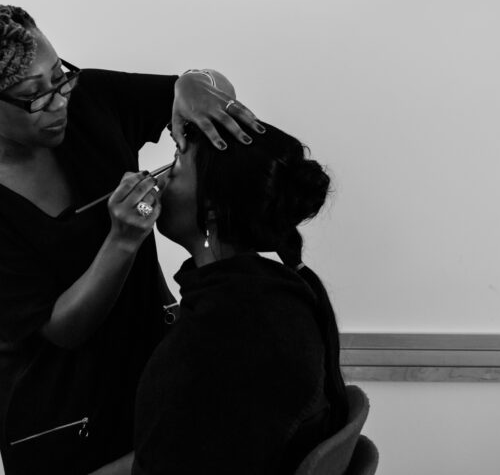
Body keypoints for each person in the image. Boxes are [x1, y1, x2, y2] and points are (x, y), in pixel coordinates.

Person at [0, 4, 263, 475]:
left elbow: (194, 98)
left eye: (59, 78)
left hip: (149, 370)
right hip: (64, 413)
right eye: (34, 97)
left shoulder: (88, 99)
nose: (58, 103)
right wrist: (123, 239)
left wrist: (195, 80)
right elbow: (61, 329)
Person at [131, 118, 349, 475]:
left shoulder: (223, 335)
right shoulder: (271, 295)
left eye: (176, 163)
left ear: (212, 206)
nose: (159, 177)